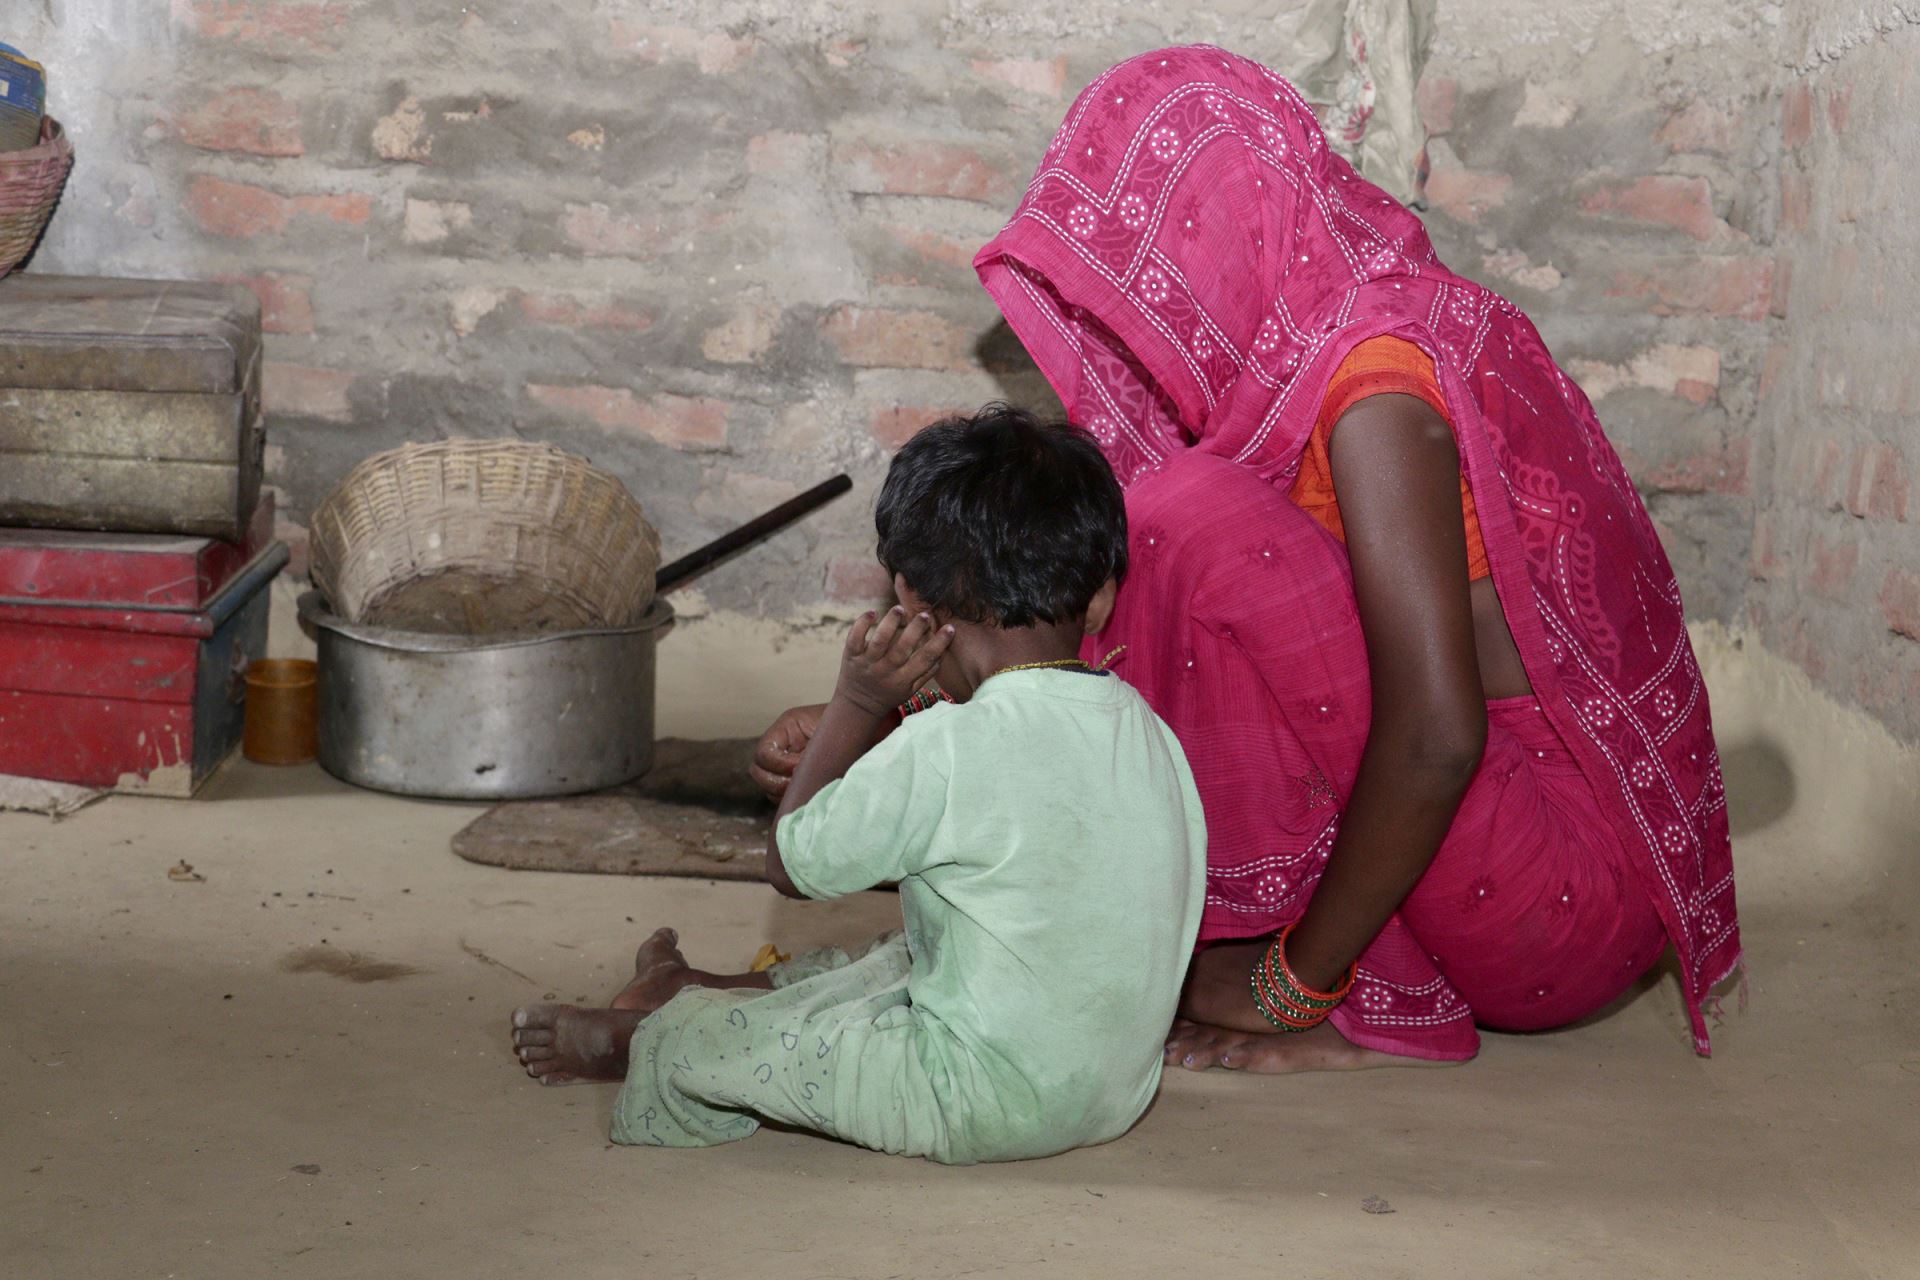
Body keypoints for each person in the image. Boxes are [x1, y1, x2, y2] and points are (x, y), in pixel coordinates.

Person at [755, 45, 1741, 1072]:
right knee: (1185, 536)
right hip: (1502, 859)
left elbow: (1439, 734)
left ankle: (1342, 986)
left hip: (1555, 894)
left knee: (1185, 523)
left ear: (1233, 235)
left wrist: (1288, 982)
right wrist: (881, 724)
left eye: (1162, 270)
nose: (1153, 319)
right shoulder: (1318, 372)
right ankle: (1265, 935)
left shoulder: (1379, 391)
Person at [510, 406, 1208, 1163]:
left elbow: (793, 862)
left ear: (911, 602)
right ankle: (694, 984)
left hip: (968, 1101)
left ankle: (649, 1034)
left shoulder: (948, 746)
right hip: (1111, 1094)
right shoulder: (1148, 729)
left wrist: (857, 704)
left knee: (726, 1044)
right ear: (1102, 594)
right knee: (910, 947)